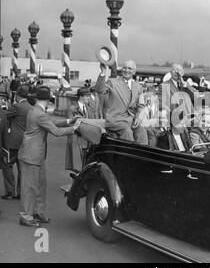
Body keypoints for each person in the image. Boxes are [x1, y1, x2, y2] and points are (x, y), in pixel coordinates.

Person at [18, 86, 81, 227]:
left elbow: (49, 123)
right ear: (48, 100)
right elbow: (56, 132)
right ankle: (26, 217)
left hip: (34, 155)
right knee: (30, 188)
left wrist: (68, 121)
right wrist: (74, 128)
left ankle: (38, 212)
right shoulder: (39, 114)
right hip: (32, 155)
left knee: (40, 185)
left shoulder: (36, 111)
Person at [95, 60, 147, 144]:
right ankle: (128, 155)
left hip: (131, 120)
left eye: (129, 68)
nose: (126, 70)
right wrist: (103, 72)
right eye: (124, 68)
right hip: (115, 120)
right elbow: (99, 89)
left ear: (134, 72)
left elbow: (140, 105)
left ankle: (142, 155)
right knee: (127, 132)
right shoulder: (112, 82)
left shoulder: (138, 87)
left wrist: (138, 117)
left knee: (142, 132)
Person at [3, 85, 33, 200]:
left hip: (14, 141)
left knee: (7, 165)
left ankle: (10, 191)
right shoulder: (31, 107)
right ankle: (21, 192)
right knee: (22, 168)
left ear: (17, 95)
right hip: (26, 141)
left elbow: (4, 115)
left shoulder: (16, 106)